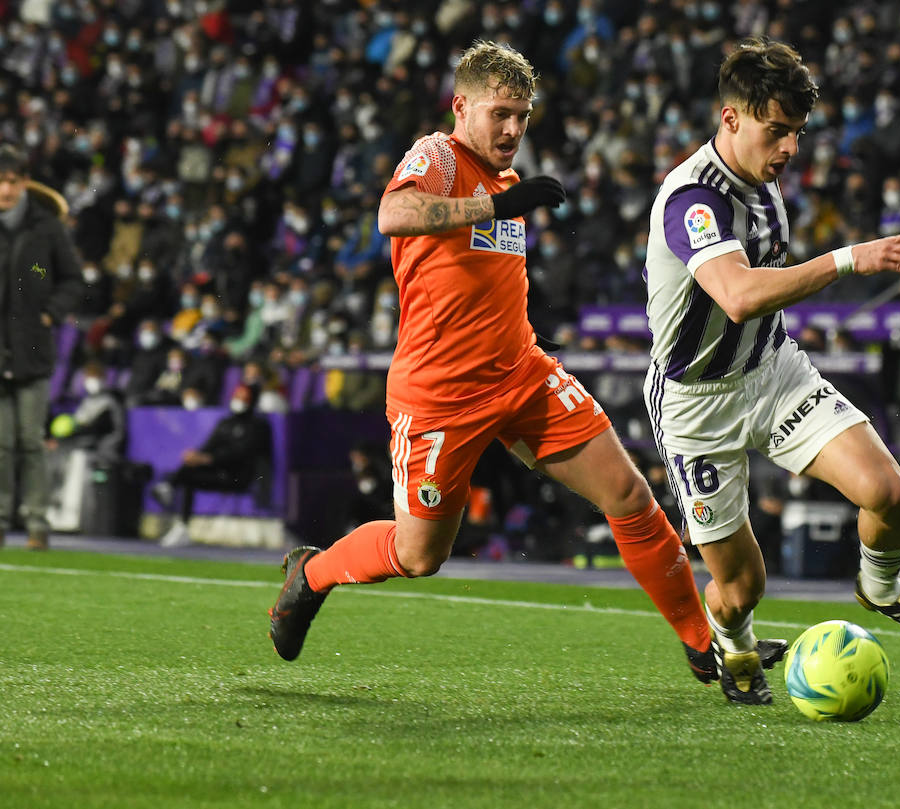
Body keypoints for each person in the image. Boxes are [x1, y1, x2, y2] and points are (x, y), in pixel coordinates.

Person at [269, 42, 716, 684]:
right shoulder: (442, 157)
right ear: (462, 107)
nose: (513, 129)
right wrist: (495, 206)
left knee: (628, 493)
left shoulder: (507, 182)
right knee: (420, 555)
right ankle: (309, 575)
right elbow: (392, 214)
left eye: (523, 117)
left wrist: (505, 208)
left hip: (522, 374)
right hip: (439, 396)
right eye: (501, 113)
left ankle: (705, 646)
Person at [642, 38, 900, 706]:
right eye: (776, 131)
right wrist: (849, 260)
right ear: (731, 119)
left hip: (772, 369)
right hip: (698, 402)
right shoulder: (693, 198)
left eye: (797, 133)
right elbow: (737, 294)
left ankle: (880, 586)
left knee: (889, 494)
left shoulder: (762, 179)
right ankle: (734, 647)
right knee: (740, 586)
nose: (789, 148)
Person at [0, 144, 83, 550]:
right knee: (0, 442)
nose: (5, 189)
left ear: (25, 183)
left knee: (31, 441)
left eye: (12, 181)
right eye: (0, 181)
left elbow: (72, 278)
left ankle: (37, 523)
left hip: (32, 347)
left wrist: (50, 311)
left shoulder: (47, 226)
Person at [152, 384, 273, 548]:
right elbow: (209, 445)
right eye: (237, 395)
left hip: (238, 476)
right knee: (190, 472)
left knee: (191, 474)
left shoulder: (258, 426)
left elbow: (241, 453)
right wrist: (197, 456)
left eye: (244, 397)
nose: (239, 400)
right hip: (219, 471)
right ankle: (180, 521)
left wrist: (209, 459)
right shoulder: (226, 422)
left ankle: (170, 488)